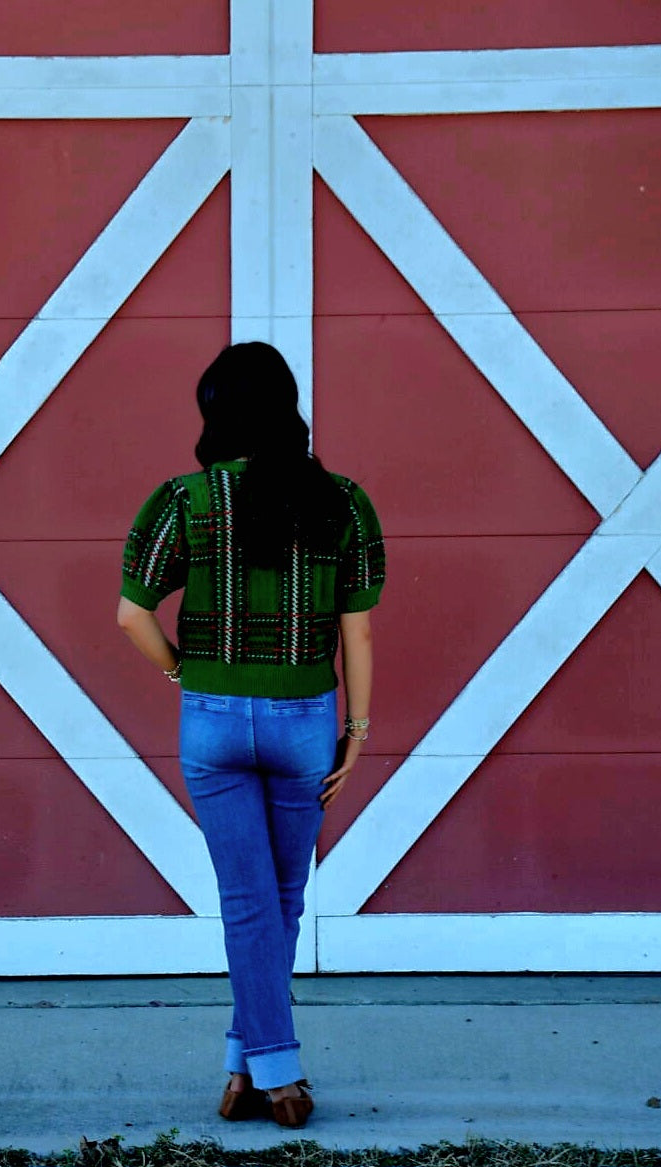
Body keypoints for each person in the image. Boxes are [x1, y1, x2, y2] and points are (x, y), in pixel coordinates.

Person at [116, 342, 384, 1129]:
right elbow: (358, 633)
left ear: (215, 414)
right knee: (280, 899)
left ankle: (246, 1066)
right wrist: (358, 728)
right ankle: (279, 1072)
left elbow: (131, 616)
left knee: (249, 900)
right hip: (306, 720)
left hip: (213, 719)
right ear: (288, 407)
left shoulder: (183, 499)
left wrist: (182, 670)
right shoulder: (341, 501)